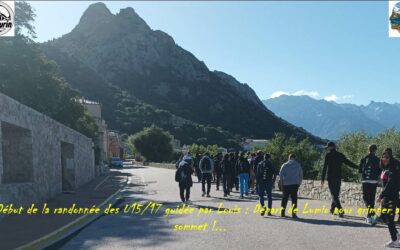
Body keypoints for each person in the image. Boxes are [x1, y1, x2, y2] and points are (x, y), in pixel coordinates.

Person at [321, 141, 358, 217]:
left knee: (334, 195)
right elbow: (348, 162)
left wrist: (322, 179)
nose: (327, 149)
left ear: (331, 147)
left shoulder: (328, 155)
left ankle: (341, 211)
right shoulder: (340, 155)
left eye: (328, 147)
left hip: (331, 178)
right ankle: (332, 209)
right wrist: (358, 167)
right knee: (335, 195)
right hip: (338, 177)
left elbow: (325, 167)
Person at [378, 151, 400, 248]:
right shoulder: (385, 169)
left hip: (391, 197)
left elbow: (389, 184)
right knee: (385, 217)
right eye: (383, 157)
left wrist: (381, 195)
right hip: (386, 197)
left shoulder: (392, 169)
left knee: (390, 218)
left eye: (387, 157)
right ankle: (396, 235)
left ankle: (394, 240)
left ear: (390, 159)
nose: (385, 159)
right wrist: (383, 197)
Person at [359, 144, 381, 225]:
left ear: (368, 149)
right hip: (374, 181)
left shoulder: (364, 158)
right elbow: (380, 171)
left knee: (365, 197)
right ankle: (372, 215)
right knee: (371, 199)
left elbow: (360, 170)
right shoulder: (377, 159)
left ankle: (369, 216)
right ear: (375, 150)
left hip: (365, 181)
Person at [280, 154, 303, 219]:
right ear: (294, 158)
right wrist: (299, 183)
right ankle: (294, 214)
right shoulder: (298, 165)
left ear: (289, 158)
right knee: (294, 199)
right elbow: (301, 175)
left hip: (286, 184)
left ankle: (282, 212)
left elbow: (281, 175)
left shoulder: (284, 165)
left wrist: (281, 184)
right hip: (295, 184)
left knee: (285, 199)